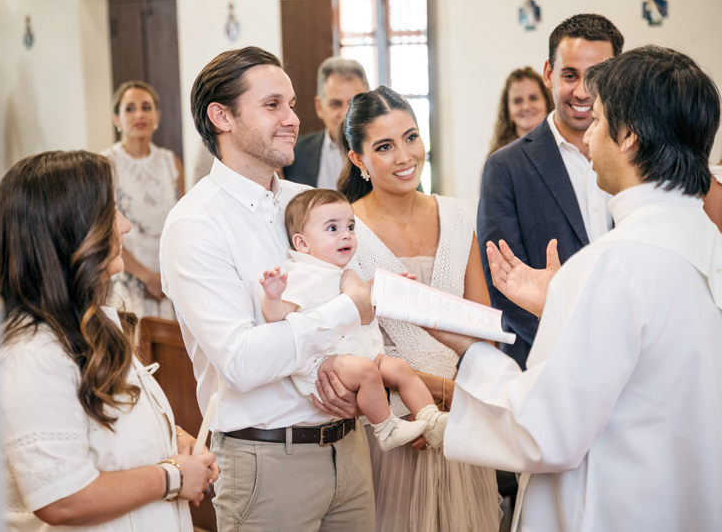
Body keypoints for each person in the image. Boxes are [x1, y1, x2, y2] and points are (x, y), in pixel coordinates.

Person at [436, 45, 722, 532]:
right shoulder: (706, 242)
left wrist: (472, 351)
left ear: (628, 137)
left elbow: (544, 432)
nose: (588, 135)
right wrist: (563, 304)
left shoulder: (612, 263)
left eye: (600, 120)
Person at [160, 47, 377, 531]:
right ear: (222, 117)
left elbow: (363, 306)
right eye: (272, 105)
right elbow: (241, 361)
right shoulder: (195, 224)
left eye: (292, 104)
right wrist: (344, 310)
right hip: (268, 460)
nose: (292, 119)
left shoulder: (308, 203)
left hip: (349, 447)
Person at [0, 150, 218, 531]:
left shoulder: (93, 322)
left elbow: (105, 427)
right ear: (69, 230)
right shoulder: (31, 352)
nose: (125, 226)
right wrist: (172, 476)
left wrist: (172, 440)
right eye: (111, 213)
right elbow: (63, 498)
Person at [338, 85, 500, 532]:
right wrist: (430, 394)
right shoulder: (345, 231)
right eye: (384, 147)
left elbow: (481, 328)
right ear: (358, 159)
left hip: (461, 417)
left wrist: (463, 396)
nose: (404, 156)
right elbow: (350, 346)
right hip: (391, 423)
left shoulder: (459, 215)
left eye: (411, 137)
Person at [477, 14, 624, 370]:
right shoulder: (505, 167)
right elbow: (504, 282)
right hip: (545, 365)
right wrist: (573, 345)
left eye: (596, 76)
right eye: (570, 75)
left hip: (629, 356)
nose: (583, 92)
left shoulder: (636, 155)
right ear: (549, 74)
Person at [261, 188, 448, 451]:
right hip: (324, 362)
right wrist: (273, 296)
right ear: (302, 244)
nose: (346, 234)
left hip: (357, 352)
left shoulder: (341, 270)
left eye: (350, 226)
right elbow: (277, 317)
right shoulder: (305, 273)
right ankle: (386, 429)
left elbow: (357, 298)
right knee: (367, 371)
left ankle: (430, 418)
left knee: (399, 368)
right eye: (333, 228)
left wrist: (383, 286)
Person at [102, 81, 184, 320]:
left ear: (157, 116)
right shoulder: (105, 164)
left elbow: (181, 222)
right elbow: (103, 229)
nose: (139, 114)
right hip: (125, 278)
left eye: (146, 107)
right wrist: (147, 278)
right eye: (130, 108)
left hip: (168, 278)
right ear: (116, 118)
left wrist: (166, 276)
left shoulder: (171, 163)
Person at [283, 57, 369, 189]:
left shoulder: (384, 152)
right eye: (335, 104)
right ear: (319, 107)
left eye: (354, 104)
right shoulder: (294, 154)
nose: (346, 113)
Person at [488, 66, 554, 155]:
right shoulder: (498, 159)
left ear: (547, 102)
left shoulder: (565, 147)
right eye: (517, 101)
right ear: (508, 111)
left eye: (533, 98)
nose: (526, 107)